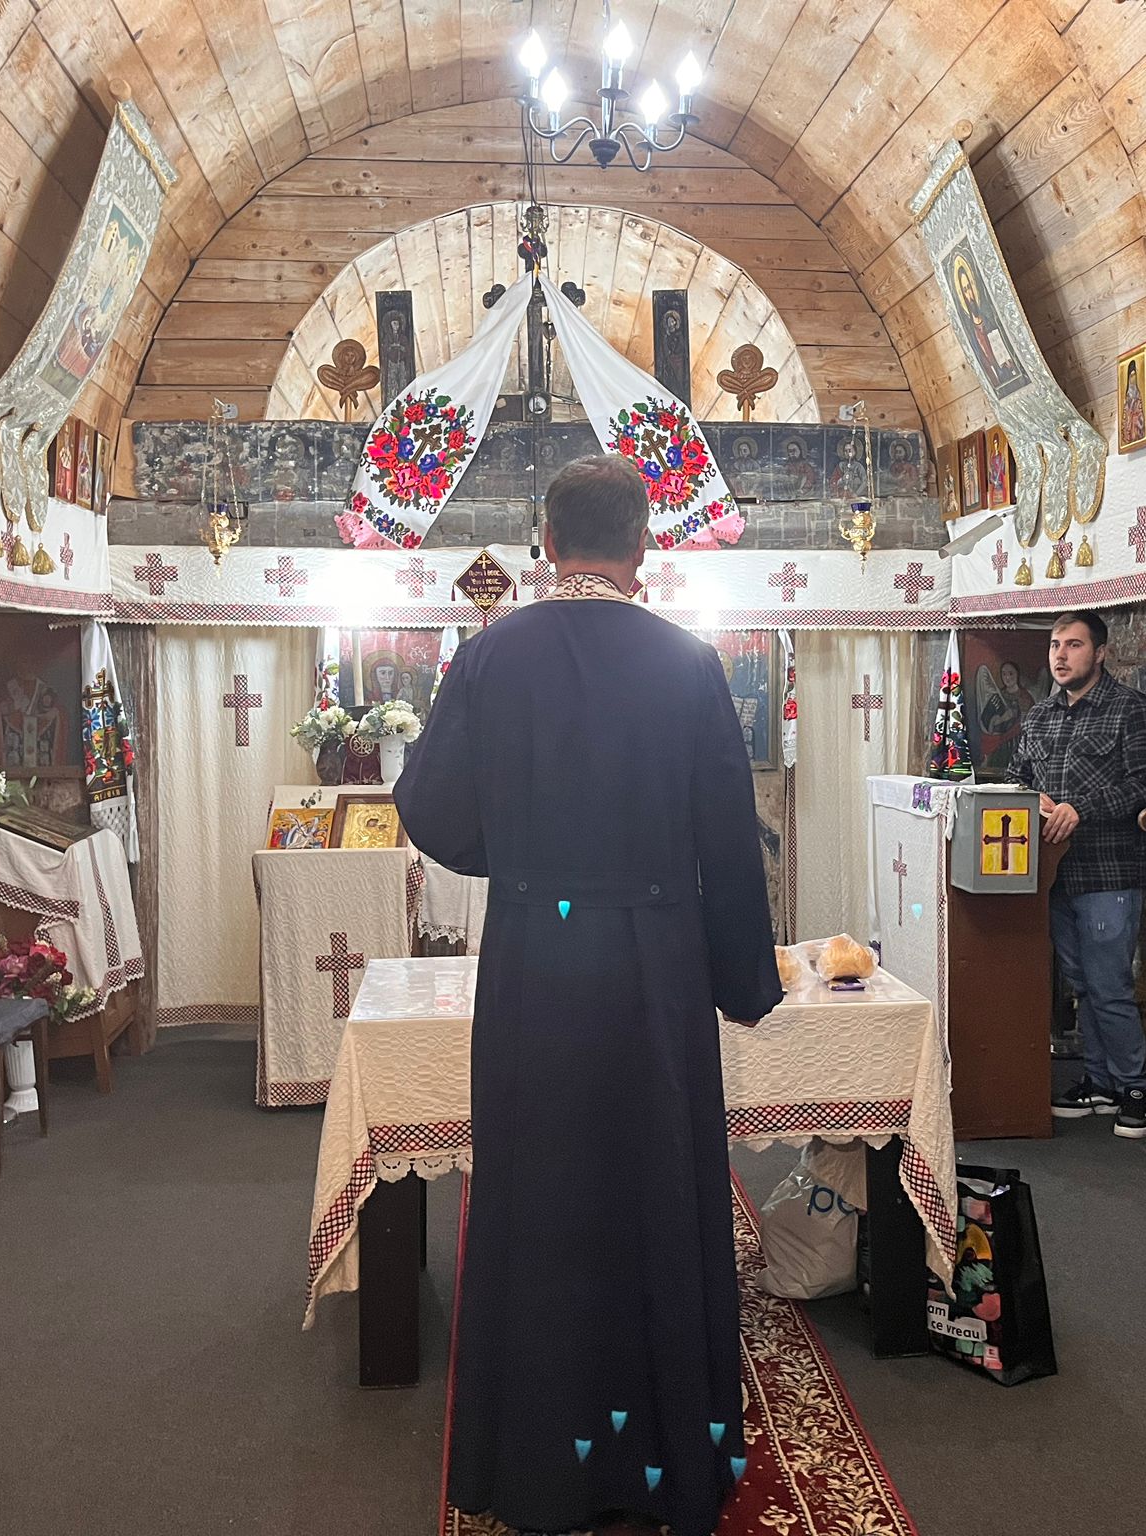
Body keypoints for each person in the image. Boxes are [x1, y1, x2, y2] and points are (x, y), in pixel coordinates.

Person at [396, 456, 781, 1536]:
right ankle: (660, 1457)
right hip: (655, 964)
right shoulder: (688, 663)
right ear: (642, 543)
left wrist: (523, 858)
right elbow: (727, 838)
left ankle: (538, 1468)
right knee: (655, 1187)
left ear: (547, 542)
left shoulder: (490, 654)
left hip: (535, 957)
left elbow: (430, 810)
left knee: (542, 1194)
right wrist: (743, 980)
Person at [1011, 612, 1146, 1137]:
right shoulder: (1040, 716)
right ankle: (1099, 1082)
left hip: (1110, 870)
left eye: (1074, 645)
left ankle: (1135, 1088)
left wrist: (1082, 807)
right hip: (1054, 873)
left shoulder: (1131, 710)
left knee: (1109, 987)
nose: (1060, 655)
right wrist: (1030, 797)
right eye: (1055, 645)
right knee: (1081, 984)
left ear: (1100, 653)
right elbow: (1015, 776)